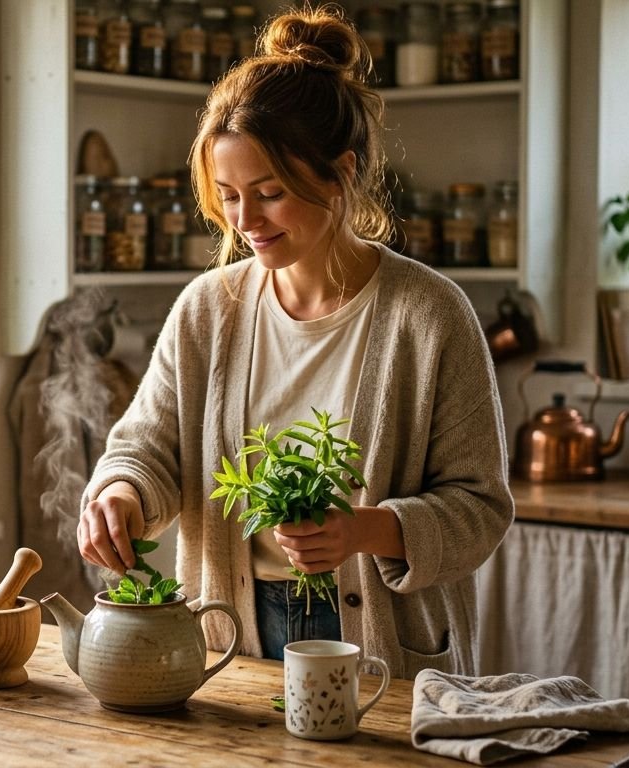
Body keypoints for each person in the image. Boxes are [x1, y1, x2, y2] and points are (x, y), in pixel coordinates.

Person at [76, 6, 513, 677]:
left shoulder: (429, 315)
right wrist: (121, 496)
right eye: (228, 196)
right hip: (230, 634)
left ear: (339, 175)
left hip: (385, 643)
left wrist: (362, 530)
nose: (245, 220)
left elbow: (479, 507)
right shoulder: (207, 311)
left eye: (269, 193)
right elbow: (146, 448)